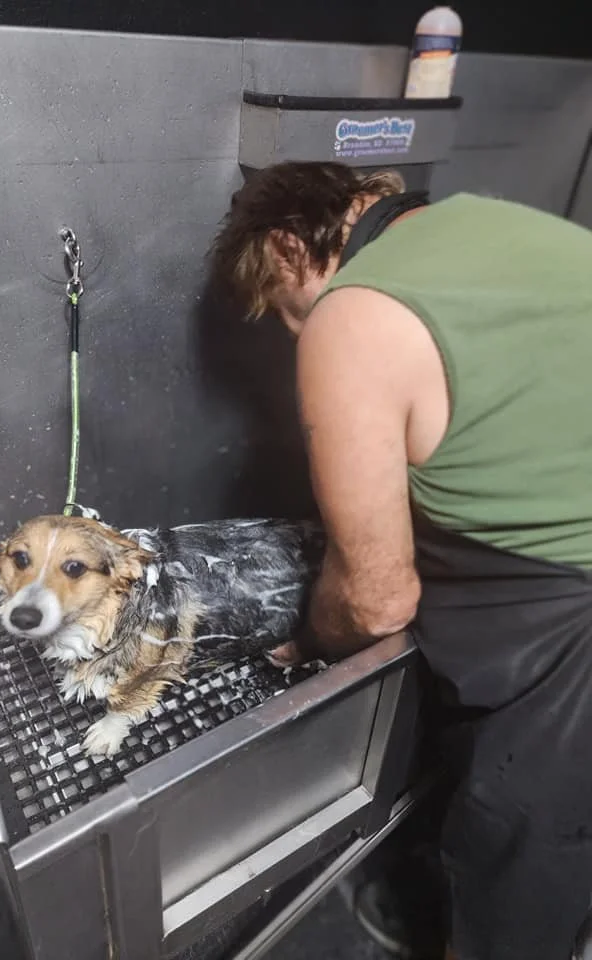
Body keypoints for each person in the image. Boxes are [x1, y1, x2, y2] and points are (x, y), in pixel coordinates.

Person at [208, 161, 592, 960]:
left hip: (573, 642)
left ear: (288, 248)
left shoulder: (353, 314)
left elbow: (377, 600)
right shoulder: (495, 217)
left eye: (282, 312)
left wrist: (310, 639)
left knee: (516, 898)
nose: (292, 334)